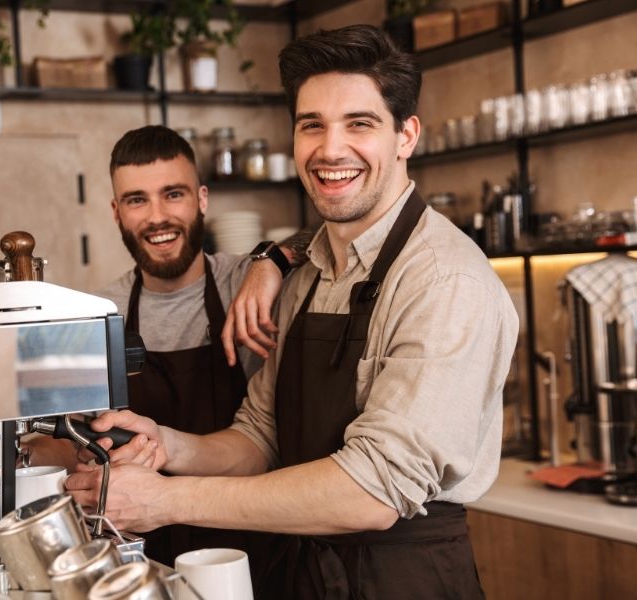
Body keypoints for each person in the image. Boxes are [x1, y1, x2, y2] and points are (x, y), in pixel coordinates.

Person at [66, 24, 519, 599]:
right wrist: (166, 445)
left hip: (401, 582)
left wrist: (163, 499)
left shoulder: (446, 281)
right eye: (312, 126)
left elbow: (374, 491)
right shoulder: (304, 272)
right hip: (303, 577)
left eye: (359, 123)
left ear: (406, 135)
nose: (330, 150)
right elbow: (262, 435)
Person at [28, 124, 311, 579]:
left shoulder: (247, 283)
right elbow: (52, 440)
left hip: (255, 545)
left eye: (173, 194)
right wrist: (85, 450)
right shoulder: (99, 314)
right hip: (146, 555)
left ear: (202, 199)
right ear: (116, 212)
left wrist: (271, 260)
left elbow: (326, 231)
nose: (157, 217)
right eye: (137, 200)